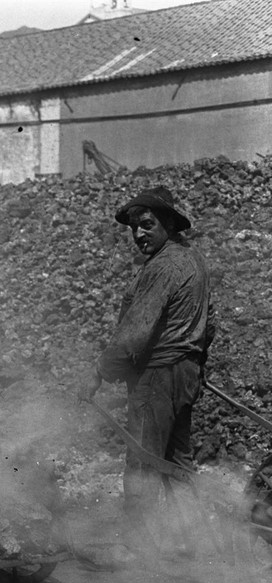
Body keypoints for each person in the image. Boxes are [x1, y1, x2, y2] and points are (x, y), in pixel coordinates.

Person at [79, 186, 211, 546]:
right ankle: (194, 546)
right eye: (133, 228)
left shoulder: (163, 267)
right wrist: (194, 361)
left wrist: (99, 374)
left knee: (142, 462)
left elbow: (135, 332)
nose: (138, 234)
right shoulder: (193, 259)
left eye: (147, 224)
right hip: (184, 373)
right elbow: (208, 323)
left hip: (157, 376)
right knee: (176, 462)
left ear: (168, 222)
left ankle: (135, 550)